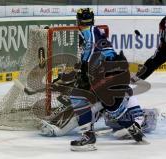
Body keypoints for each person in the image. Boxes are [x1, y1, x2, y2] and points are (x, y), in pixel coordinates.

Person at [41, 8, 148, 151]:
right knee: (113, 108)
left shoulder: (88, 32)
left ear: (78, 21)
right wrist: (76, 73)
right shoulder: (96, 31)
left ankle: (88, 138)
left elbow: (91, 56)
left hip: (105, 73)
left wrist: (79, 75)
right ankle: (135, 131)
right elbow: (90, 56)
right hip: (116, 72)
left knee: (77, 96)